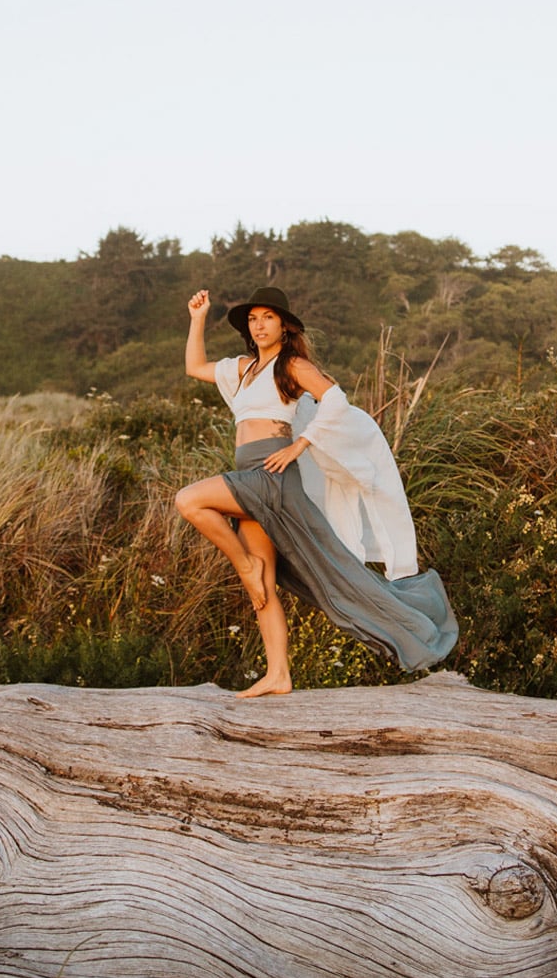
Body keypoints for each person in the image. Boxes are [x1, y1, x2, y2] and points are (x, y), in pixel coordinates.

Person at [175, 286, 458, 698]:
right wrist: (197, 319)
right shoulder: (245, 368)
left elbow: (336, 400)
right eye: (253, 319)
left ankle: (244, 566)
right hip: (250, 473)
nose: (259, 325)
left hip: (272, 474)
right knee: (265, 586)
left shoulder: (291, 365)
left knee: (189, 500)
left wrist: (299, 444)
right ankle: (278, 675)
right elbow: (194, 366)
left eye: (267, 318)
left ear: (284, 325)